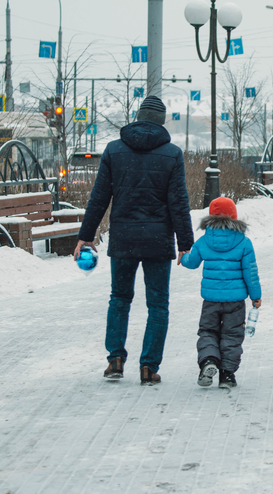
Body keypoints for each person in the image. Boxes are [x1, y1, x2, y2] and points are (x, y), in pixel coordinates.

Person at [74, 95, 195, 385]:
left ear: (138, 117)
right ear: (162, 122)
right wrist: (186, 244)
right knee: (158, 305)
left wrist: (85, 237)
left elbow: (99, 198)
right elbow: (178, 202)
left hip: (124, 239)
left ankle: (115, 359)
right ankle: (149, 367)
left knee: (119, 299)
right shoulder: (171, 154)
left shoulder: (115, 150)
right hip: (157, 242)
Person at [180, 197, 262, 389]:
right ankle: (227, 374)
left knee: (208, 331)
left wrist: (183, 257)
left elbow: (192, 263)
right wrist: (255, 296)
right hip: (235, 301)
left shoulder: (204, 241)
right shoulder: (244, 242)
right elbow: (250, 273)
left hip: (211, 300)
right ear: (234, 216)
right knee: (232, 335)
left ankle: (208, 360)